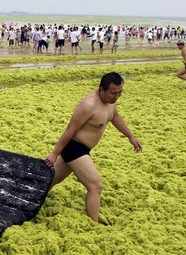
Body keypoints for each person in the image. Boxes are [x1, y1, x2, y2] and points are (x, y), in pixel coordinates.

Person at [44, 72, 142, 223]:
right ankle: (93, 222)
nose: (116, 96)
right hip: (74, 148)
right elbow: (70, 130)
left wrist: (131, 136)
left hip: (84, 150)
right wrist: (54, 153)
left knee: (51, 180)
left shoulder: (111, 102)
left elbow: (115, 117)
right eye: (113, 93)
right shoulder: (89, 104)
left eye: (120, 92)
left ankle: (29, 197)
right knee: (95, 186)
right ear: (101, 90)